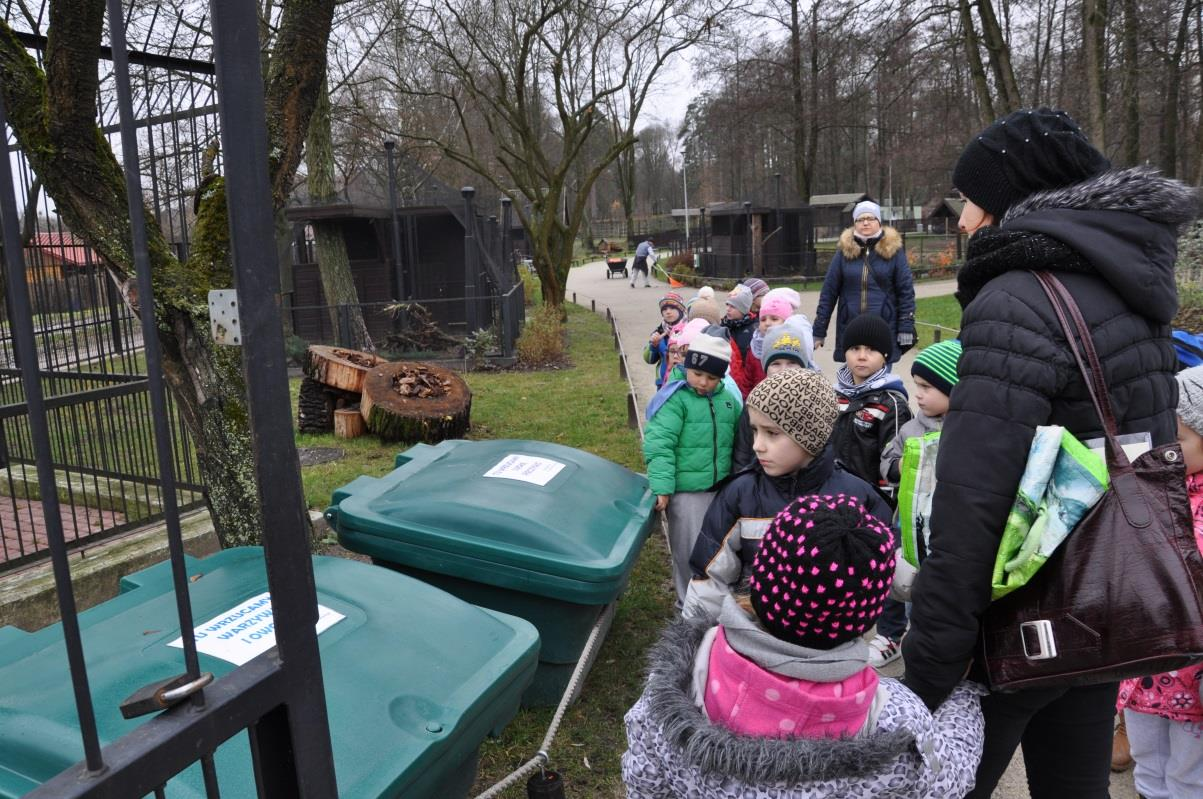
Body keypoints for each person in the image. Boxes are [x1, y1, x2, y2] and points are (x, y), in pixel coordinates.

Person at [901, 107, 1195, 797]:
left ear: (1012, 199)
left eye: (973, 200)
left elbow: (973, 500)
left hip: (1013, 620)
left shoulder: (1014, 299)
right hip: (1102, 607)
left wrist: (926, 671)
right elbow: (1152, 460)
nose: (965, 221)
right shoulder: (1134, 292)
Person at [623, 494, 986, 798]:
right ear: (864, 614)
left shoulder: (678, 678)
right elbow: (946, 782)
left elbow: (645, 782)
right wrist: (963, 699)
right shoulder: (895, 720)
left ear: (761, 578)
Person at [682, 369, 891, 622]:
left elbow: (888, 569)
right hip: (754, 636)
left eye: (772, 433)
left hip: (828, 643)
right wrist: (697, 637)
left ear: (811, 435)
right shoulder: (740, 494)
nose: (757, 444)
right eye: (755, 431)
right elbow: (710, 579)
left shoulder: (857, 497)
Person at [1112, 365, 1203, 798]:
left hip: (1193, 674)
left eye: (1180, 438)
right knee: (1149, 765)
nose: (1167, 447)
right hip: (1144, 667)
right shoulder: (1153, 485)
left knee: (1189, 776)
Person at [827, 312, 912, 668]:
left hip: (878, 502)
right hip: (835, 496)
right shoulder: (835, 394)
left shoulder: (891, 403)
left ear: (886, 357)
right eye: (855, 348)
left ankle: (890, 633)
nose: (861, 356)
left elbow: (895, 455)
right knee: (843, 563)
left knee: (883, 567)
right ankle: (847, 624)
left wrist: (885, 494)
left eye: (871, 350)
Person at [643, 331, 740, 605]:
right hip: (686, 492)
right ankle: (686, 603)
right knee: (687, 549)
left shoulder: (728, 400)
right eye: (697, 374)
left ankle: (716, 599)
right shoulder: (675, 399)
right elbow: (660, 443)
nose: (703, 382)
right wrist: (662, 487)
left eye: (712, 378)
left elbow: (739, 441)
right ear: (687, 367)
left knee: (720, 549)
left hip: (721, 489)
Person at [813, 200, 916, 365]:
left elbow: (906, 291)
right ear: (854, 223)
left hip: (882, 328)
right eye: (860, 219)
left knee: (879, 384)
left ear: (879, 221)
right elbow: (829, 292)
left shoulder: (894, 252)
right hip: (851, 328)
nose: (865, 222)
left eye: (870, 218)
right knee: (851, 384)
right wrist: (819, 329)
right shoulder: (843, 254)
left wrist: (906, 326)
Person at [731, 315, 815, 472]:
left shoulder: (815, 404)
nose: (784, 371)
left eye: (792, 363)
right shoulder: (753, 405)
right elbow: (741, 457)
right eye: (776, 364)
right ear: (765, 368)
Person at [643, 291, 687, 388]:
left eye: (672, 308)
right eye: (664, 309)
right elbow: (649, 360)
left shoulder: (688, 331)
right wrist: (653, 346)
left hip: (684, 381)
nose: (668, 311)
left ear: (681, 311)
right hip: (662, 383)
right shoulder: (659, 331)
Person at [723, 285, 758, 397]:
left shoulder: (753, 329)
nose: (728, 309)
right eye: (727, 304)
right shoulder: (723, 326)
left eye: (733, 306)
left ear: (743, 309)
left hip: (744, 382)